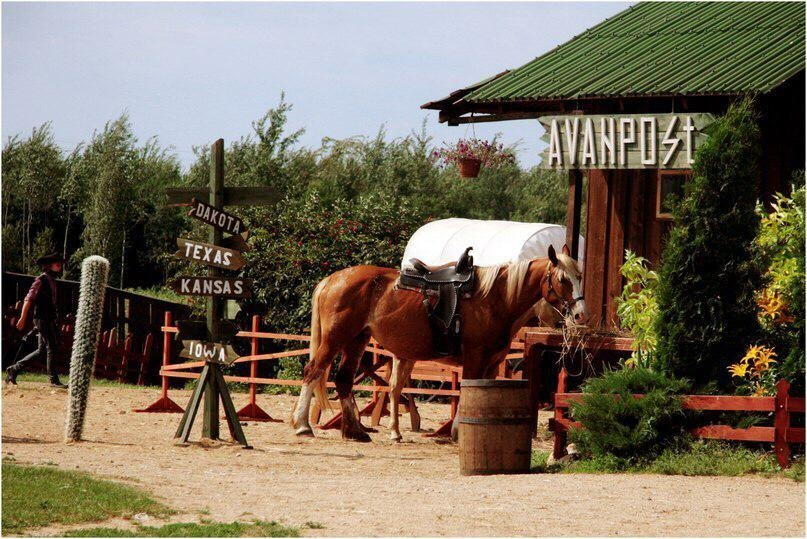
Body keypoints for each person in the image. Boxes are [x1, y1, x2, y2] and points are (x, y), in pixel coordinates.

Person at [5, 253, 68, 388]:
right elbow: (28, 299)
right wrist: (22, 317)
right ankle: (54, 381)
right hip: (41, 319)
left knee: (42, 350)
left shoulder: (51, 280)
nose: (60, 266)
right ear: (49, 266)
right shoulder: (41, 280)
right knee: (52, 347)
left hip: (48, 318)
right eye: (57, 264)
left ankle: (14, 369)